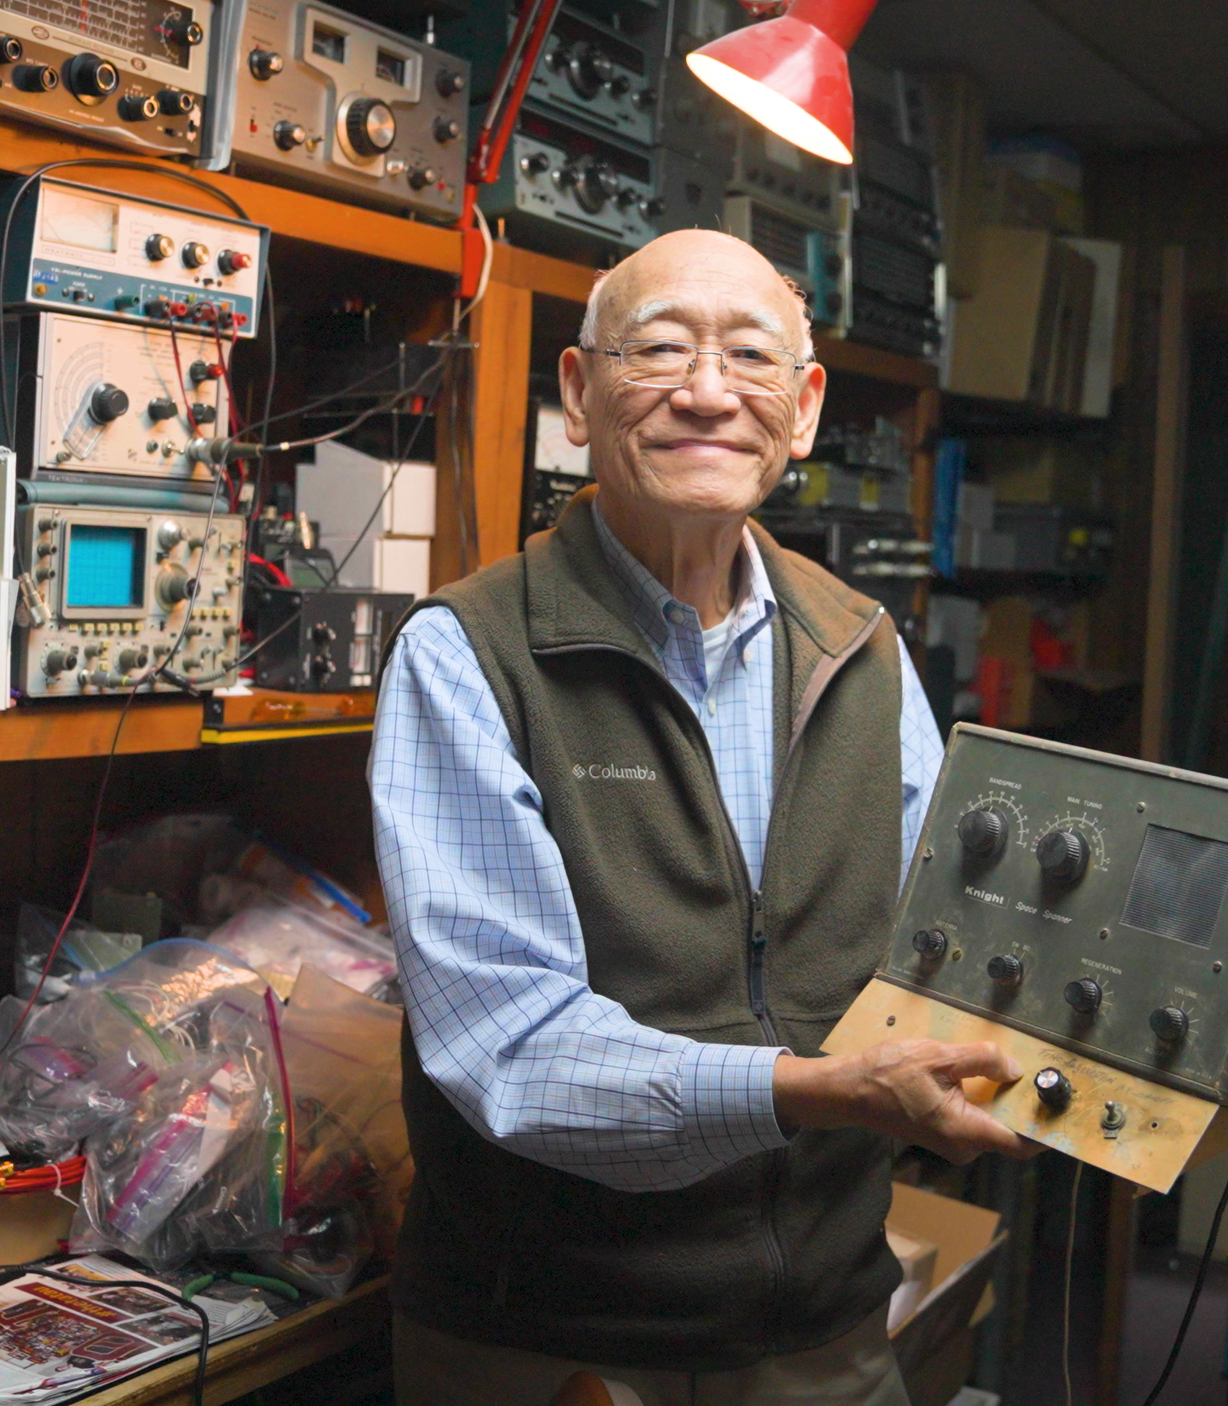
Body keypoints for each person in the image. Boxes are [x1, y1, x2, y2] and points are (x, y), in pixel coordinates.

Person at [372, 229, 1027, 1406]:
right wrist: (813, 1088)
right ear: (576, 394)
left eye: (750, 357)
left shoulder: (862, 650)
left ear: (806, 407)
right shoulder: (467, 655)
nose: (708, 392)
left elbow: (956, 950)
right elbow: (510, 1047)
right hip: (549, 1342)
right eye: (659, 349)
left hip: (822, 1336)